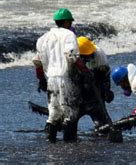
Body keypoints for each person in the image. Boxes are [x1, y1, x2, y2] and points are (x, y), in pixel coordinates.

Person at [32, 8, 93, 143]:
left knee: (53, 112)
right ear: (66, 22)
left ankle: (50, 141)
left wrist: (41, 79)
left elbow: (37, 61)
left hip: (51, 79)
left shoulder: (44, 38)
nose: (71, 24)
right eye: (70, 21)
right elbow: (71, 56)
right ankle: (69, 143)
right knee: (70, 112)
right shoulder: (69, 35)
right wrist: (85, 71)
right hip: (65, 78)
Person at [76, 36, 115, 131]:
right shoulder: (72, 56)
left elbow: (105, 75)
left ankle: (101, 124)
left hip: (96, 77)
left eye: (89, 55)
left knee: (103, 125)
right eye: (84, 56)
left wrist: (107, 91)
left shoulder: (99, 54)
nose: (88, 57)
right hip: (79, 82)